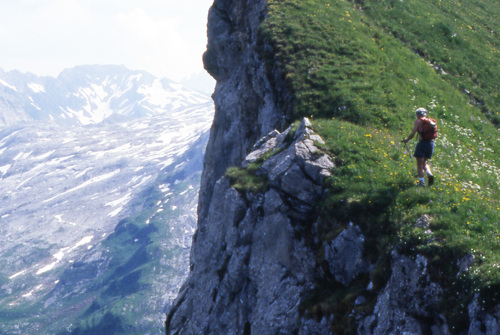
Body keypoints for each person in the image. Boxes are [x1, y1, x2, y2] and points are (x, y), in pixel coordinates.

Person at [402, 107, 435, 186]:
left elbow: (413, 133)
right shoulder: (430, 122)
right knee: (424, 163)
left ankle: (422, 183)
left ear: (418, 115)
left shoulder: (418, 121)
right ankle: (429, 174)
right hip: (431, 144)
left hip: (422, 143)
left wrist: (406, 140)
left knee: (419, 165)